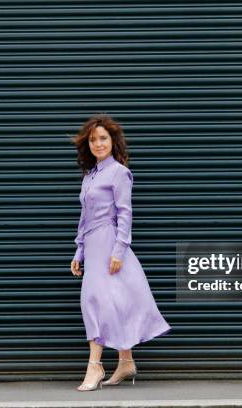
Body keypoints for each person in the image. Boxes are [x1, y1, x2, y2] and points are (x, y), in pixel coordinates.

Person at [70, 114, 172, 392]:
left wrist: (119, 250)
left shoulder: (119, 173)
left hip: (110, 242)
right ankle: (125, 360)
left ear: (113, 141)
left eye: (103, 138)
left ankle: (95, 367)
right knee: (117, 300)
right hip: (92, 245)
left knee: (94, 300)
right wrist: (79, 251)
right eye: (92, 139)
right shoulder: (90, 175)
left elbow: (125, 213)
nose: (98, 143)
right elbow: (84, 216)